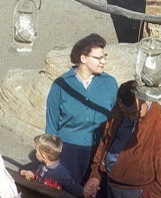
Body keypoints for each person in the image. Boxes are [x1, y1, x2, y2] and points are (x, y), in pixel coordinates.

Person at [83, 80, 161, 198]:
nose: (129, 117)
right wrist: (95, 174)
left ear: (146, 100)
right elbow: (105, 141)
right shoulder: (121, 110)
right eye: (126, 113)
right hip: (111, 190)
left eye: (133, 113)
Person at [45, 33, 117, 185]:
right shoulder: (60, 85)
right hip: (68, 151)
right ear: (83, 59)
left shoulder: (110, 84)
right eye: (98, 58)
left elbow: (116, 121)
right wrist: (51, 157)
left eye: (104, 56)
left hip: (98, 153)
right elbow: (51, 126)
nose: (103, 61)